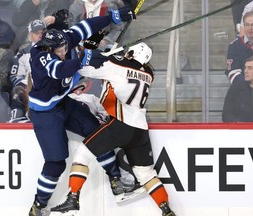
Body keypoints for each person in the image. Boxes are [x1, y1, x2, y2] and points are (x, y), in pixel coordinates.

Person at [27, 7, 136, 216]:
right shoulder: (39, 55)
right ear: (48, 49)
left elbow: (86, 27)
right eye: (59, 50)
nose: (63, 51)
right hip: (44, 114)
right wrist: (84, 60)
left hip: (63, 102)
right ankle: (38, 206)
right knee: (56, 163)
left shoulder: (62, 40)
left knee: (97, 133)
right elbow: (59, 70)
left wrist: (113, 17)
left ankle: (116, 181)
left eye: (64, 48)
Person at [53, 42, 176, 216]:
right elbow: (127, 70)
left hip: (121, 123)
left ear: (132, 53)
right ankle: (167, 210)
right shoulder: (149, 73)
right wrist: (108, 55)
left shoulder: (118, 65)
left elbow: (84, 70)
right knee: (146, 174)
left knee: (82, 154)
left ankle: (73, 199)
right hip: (140, 129)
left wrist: (103, 55)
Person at [8, 19, 47, 123]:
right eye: (36, 33)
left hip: (50, 86)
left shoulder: (55, 50)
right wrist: (26, 87)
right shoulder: (23, 53)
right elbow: (15, 76)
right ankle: (17, 118)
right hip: (29, 88)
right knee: (18, 90)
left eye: (42, 32)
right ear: (30, 35)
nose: (40, 35)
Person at [226, 11, 253, 84]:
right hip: (242, 91)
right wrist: (251, 85)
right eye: (247, 25)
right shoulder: (234, 46)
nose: (250, 28)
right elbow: (233, 73)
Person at [223, 55, 253, 122]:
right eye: (245, 68)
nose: (245, 71)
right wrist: (240, 125)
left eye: (250, 68)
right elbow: (226, 115)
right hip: (242, 130)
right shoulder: (236, 88)